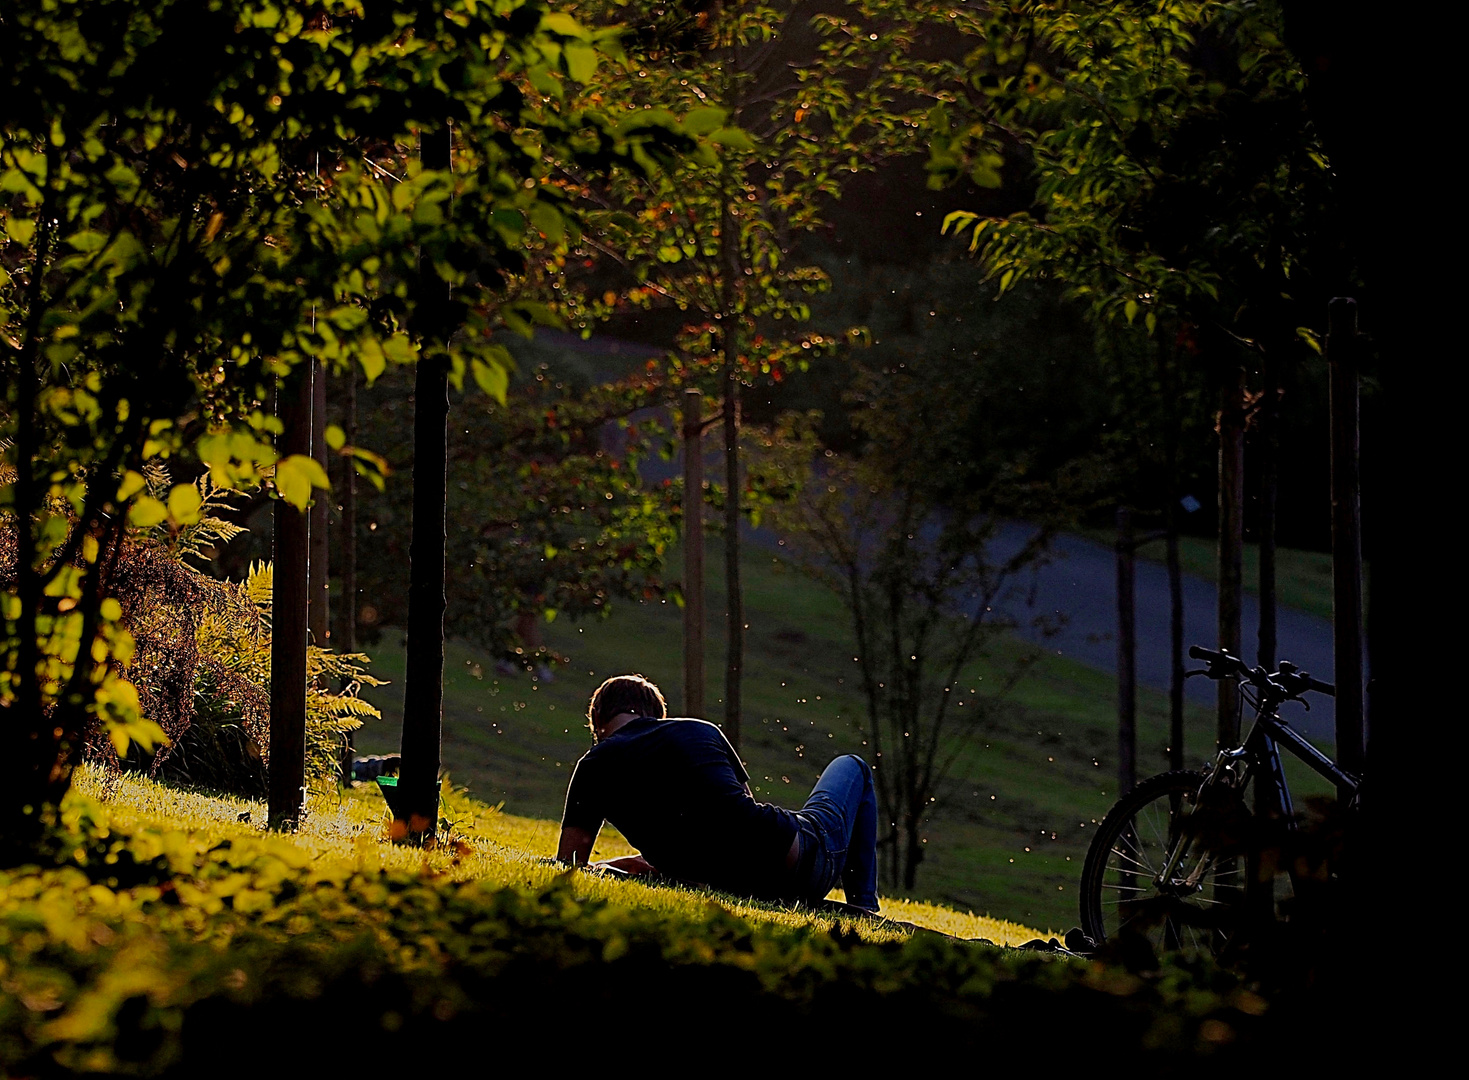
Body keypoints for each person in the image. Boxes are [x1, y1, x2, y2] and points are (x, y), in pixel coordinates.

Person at [555, 673, 880, 912]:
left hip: (737, 882)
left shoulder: (592, 766)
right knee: (853, 767)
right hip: (800, 865)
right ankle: (864, 906)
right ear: (656, 716)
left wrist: (638, 863)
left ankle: (863, 908)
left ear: (597, 718)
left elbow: (570, 862)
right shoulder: (698, 729)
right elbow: (738, 823)